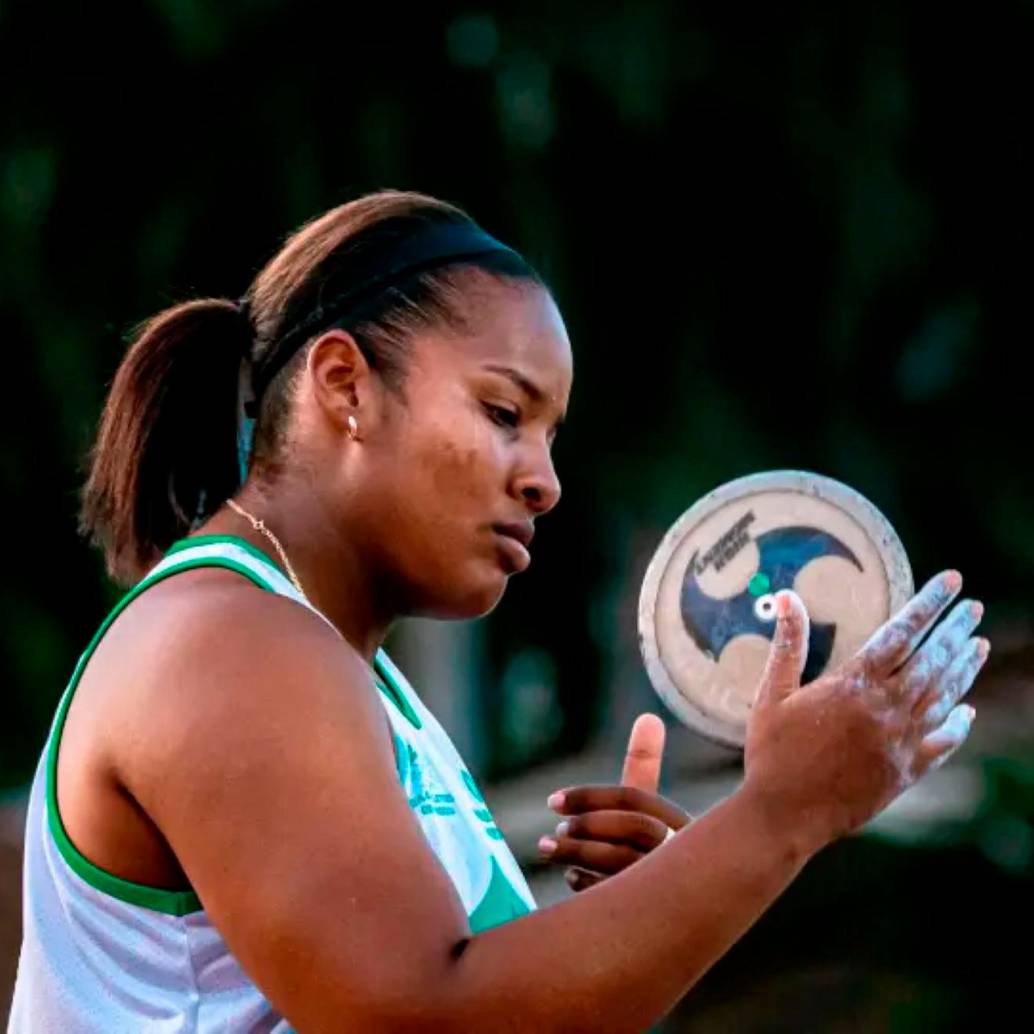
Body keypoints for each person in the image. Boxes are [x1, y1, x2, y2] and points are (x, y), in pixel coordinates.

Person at [9, 190, 989, 1032]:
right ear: (345, 386)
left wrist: (633, 921)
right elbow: (421, 1017)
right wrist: (783, 811)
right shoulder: (229, 641)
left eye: (551, 436)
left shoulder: (346, 679)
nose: (544, 482)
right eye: (503, 413)